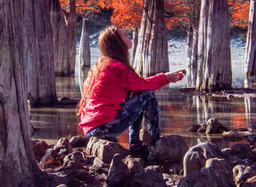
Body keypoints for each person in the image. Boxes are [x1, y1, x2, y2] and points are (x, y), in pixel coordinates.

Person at [77, 25, 186, 157]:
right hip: (104, 129)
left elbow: (137, 88)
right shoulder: (117, 67)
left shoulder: (102, 67)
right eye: (124, 35)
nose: (128, 37)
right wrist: (166, 77)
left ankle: (135, 144)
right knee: (147, 95)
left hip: (91, 131)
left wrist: (166, 77)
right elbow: (143, 85)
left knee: (138, 95)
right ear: (118, 43)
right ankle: (155, 143)